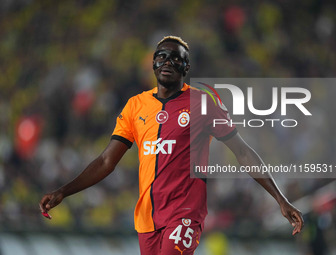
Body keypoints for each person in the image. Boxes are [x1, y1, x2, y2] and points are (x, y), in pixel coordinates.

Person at [39, 35, 304, 254]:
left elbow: (242, 151)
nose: (168, 61)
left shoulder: (203, 103)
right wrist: (64, 191)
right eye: (162, 56)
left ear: (186, 68)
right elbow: (106, 162)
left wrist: (281, 199)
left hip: (185, 213)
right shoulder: (135, 106)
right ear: (153, 64)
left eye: (176, 58)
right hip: (147, 219)